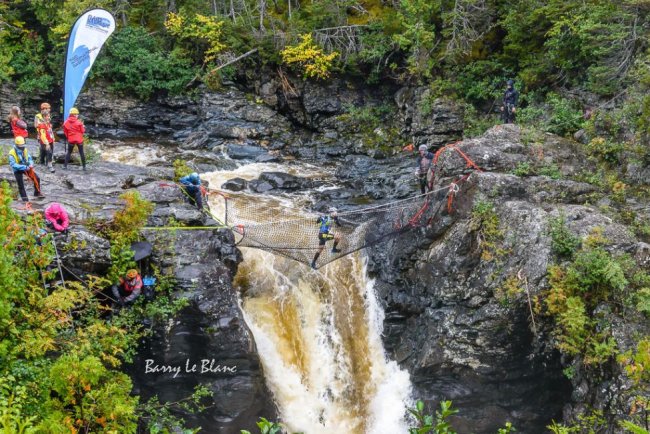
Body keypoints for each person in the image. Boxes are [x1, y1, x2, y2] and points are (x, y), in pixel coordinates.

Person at [8, 136, 44, 202]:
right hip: (18, 170)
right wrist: (24, 167)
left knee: (37, 178)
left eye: (23, 144)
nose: (22, 146)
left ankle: (37, 193)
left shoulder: (25, 149)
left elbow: (29, 158)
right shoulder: (11, 153)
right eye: (20, 145)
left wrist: (31, 164)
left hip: (26, 167)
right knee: (21, 185)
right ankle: (25, 200)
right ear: (16, 145)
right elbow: (13, 164)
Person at [34, 102, 56, 172]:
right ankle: (45, 162)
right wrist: (42, 124)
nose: (49, 109)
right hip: (41, 135)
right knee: (44, 149)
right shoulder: (38, 116)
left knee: (47, 150)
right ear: (44, 109)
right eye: (48, 108)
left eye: (49, 108)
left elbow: (50, 129)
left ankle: (47, 161)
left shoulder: (48, 119)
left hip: (48, 135)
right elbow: (35, 125)